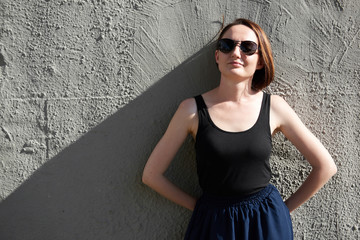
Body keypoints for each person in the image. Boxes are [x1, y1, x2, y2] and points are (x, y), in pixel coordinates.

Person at [142, 18, 337, 240]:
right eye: (227, 45)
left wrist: (281, 211)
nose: (236, 53)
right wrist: (200, 208)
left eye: (247, 47)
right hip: (212, 224)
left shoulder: (274, 107)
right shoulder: (191, 110)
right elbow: (151, 175)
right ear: (217, 56)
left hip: (266, 224)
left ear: (260, 61)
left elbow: (325, 167)